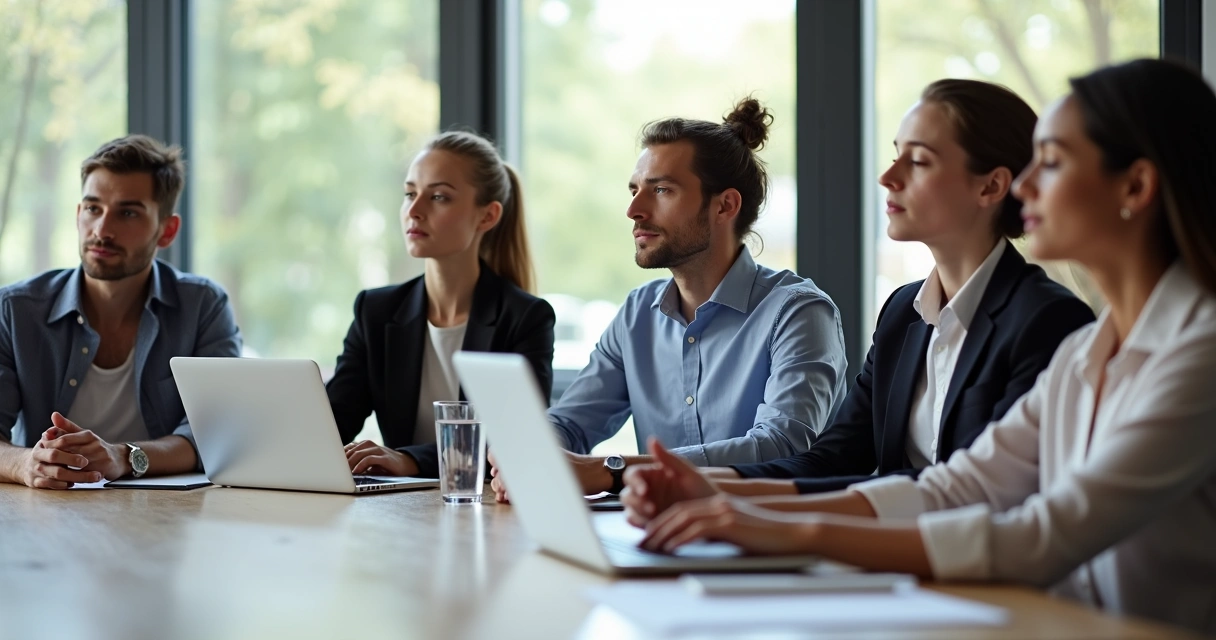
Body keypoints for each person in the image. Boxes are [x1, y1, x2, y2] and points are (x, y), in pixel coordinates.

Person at [629, 59, 1216, 635]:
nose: (1027, 183)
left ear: (1135, 186)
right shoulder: (1085, 351)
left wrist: (767, 525)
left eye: (1053, 163)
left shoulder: (1192, 352)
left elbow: (1036, 534)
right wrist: (737, 506)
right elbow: (951, 486)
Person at [621, 80, 1094, 517]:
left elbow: (967, 490)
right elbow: (831, 459)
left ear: (990, 185)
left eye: (919, 161)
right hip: (894, 568)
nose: (888, 176)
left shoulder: (1046, 320)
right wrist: (701, 486)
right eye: (895, 155)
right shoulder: (903, 314)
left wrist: (744, 510)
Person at [492, 98, 849, 501]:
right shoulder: (635, 315)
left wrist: (614, 471)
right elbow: (571, 423)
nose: (634, 210)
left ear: (725, 205)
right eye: (634, 190)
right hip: (659, 537)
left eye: (661, 190)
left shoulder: (798, 312)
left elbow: (782, 446)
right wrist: (530, 453)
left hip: (769, 542)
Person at [0, 135, 242, 489]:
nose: (102, 230)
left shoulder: (203, 306)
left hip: (167, 516)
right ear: (78, 213)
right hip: (49, 509)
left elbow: (215, 433)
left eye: (127, 212)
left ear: (167, 230)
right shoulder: (15, 309)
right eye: (93, 208)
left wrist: (123, 456)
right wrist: (25, 464)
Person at [330, 131, 555, 479]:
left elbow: (511, 441)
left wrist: (409, 460)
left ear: (487, 216)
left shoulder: (524, 318)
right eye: (409, 194)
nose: (414, 211)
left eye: (438, 197)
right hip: (402, 511)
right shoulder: (375, 311)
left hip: (486, 512)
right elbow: (334, 421)